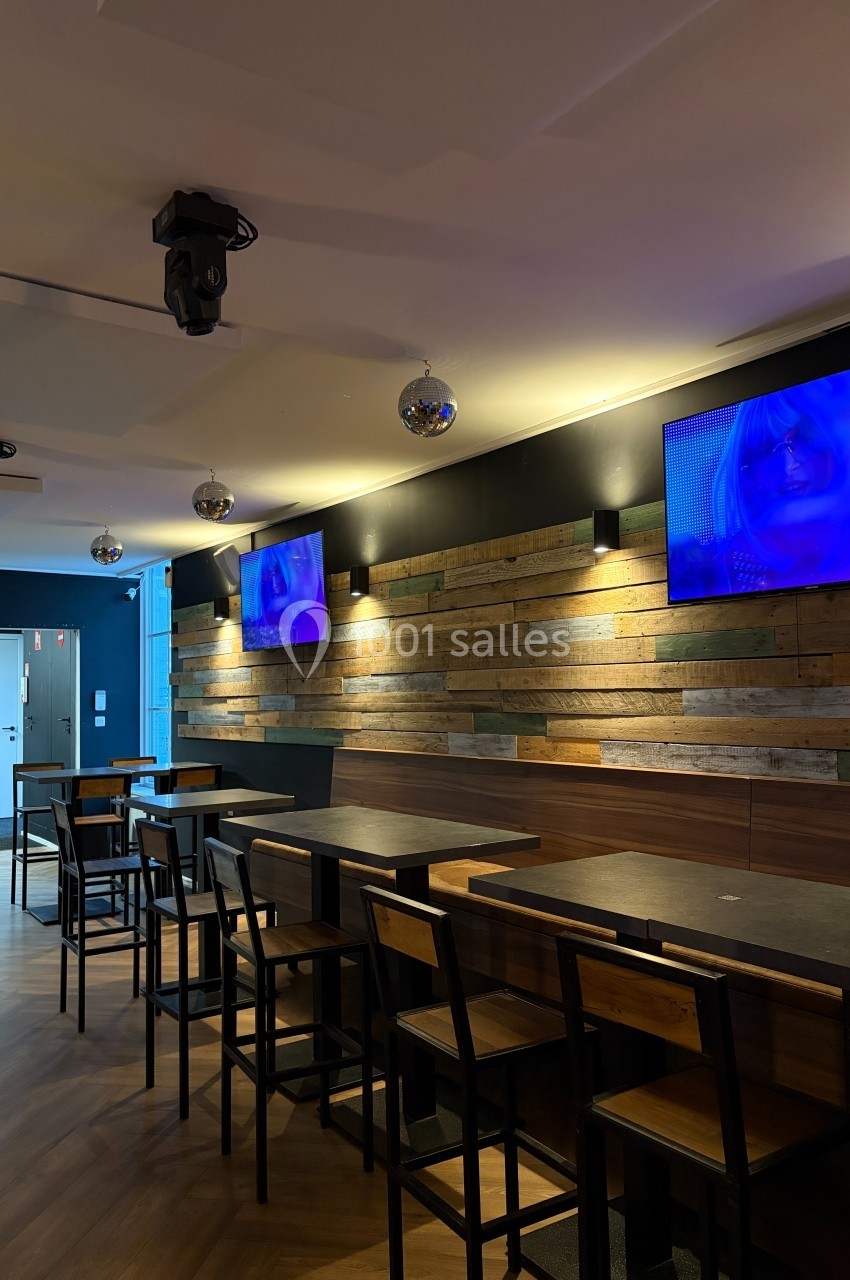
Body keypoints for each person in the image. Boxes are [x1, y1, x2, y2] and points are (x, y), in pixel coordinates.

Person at [669, 369, 850, 597]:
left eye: (801, 439)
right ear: (745, 468)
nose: (788, 465)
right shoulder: (722, 571)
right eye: (766, 451)